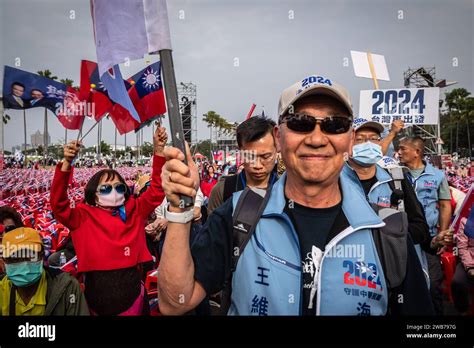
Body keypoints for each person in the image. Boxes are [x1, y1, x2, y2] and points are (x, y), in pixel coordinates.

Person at [157, 75, 433, 315]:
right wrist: (180, 210)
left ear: (349, 138)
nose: (316, 138)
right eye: (301, 123)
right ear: (279, 136)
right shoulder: (238, 214)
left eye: (334, 124)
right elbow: (175, 303)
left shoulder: (387, 230)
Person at [50, 127, 167, 316]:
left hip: (133, 299)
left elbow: (155, 192)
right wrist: (66, 164)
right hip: (96, 302)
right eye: (105, 188)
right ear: (93, 194)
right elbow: (58, 206)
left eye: (118, 187)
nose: (113, 191)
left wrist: (159, 151)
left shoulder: (134, 210)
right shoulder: (82, 215)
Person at [344, 120, 439, 255]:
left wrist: (395, 234)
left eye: (374, 139)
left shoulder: (396, 178)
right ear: (347, 143)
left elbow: (420, 227)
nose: (368, 144)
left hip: (393, 263)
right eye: (359, 139)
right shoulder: (335, 181)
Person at [397, 136, 453, 315]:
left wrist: (442, 234)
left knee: (432, 285)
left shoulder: (437, 175)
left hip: (428, 239)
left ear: (417, 152)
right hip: (403, 237)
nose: (398, 153)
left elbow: (445, 205)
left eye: (403, 149)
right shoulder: (396, 174)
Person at [0, 227, 89, 315]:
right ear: (4, 262)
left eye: (31, 256)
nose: (24, 264)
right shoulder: (2, 290)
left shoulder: (68, 287)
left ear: (42, 255)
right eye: (15, 259)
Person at [207, 116, 278, 215]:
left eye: (265, 156)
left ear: (277, 149)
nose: (257, 165)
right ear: (240, 151)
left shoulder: (288, 190)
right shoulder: (223, 190)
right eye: (250, 157)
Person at [452, 218, 474, 314]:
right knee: (458, 282)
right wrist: (470, 267)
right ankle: (463, 311)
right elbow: (462, 247)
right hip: (469, 260)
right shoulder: (465, 222)